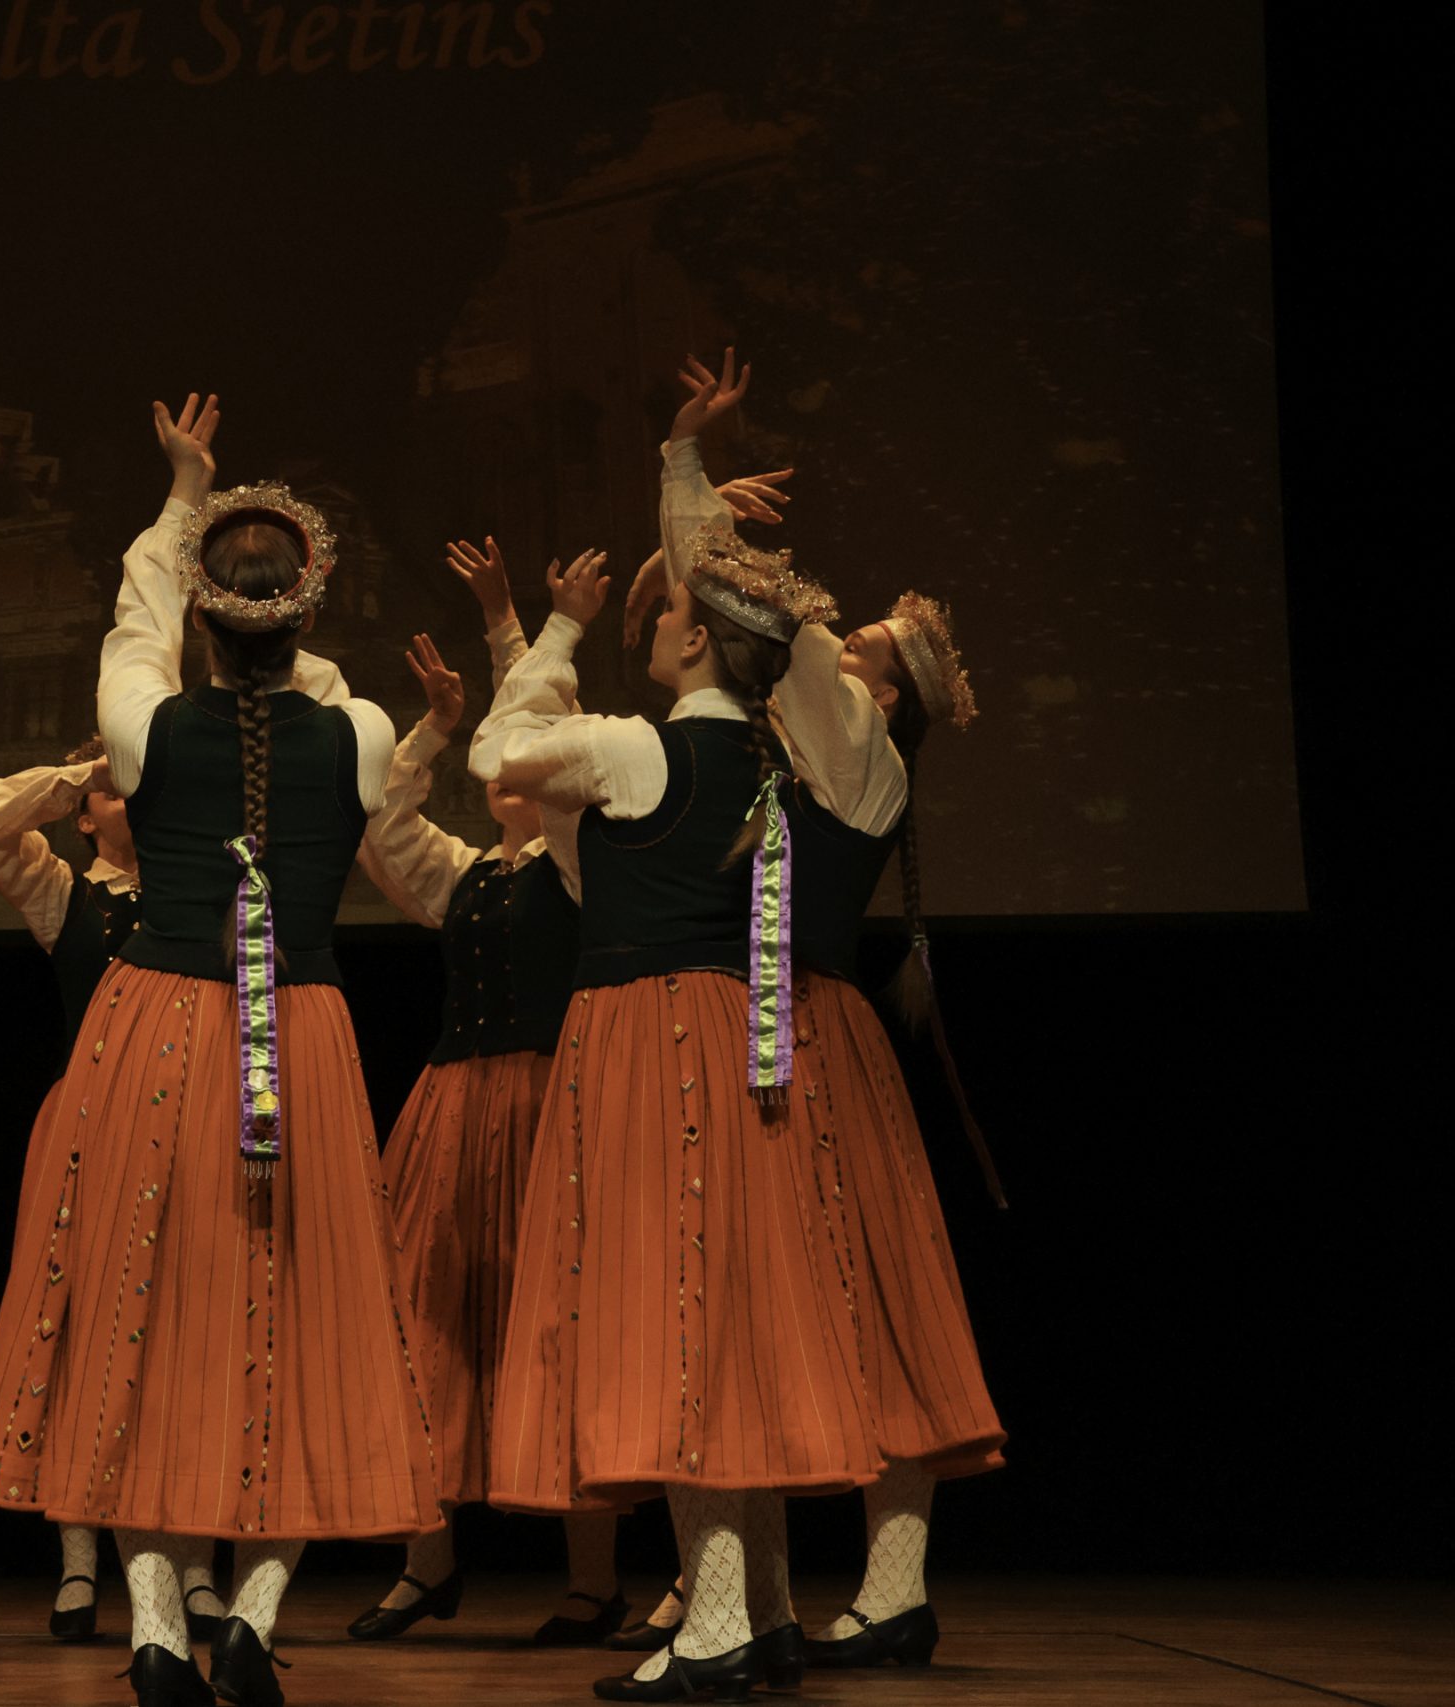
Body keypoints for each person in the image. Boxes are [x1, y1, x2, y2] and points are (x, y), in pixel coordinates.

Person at [0, 394, 439, 1707]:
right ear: (304, 613)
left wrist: (184, 492)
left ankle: (156, 1624)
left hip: (159, 1029)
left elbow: (134, 622)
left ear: (205, 619)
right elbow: (303, 695)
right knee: (307, 1311)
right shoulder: (358, 730)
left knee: (140, 1305)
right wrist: (262, 594)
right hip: (301, 1030)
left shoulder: (146, 725)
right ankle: (256, 1612)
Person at [476, 349, 888, 1702]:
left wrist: (550, 639)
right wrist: (684, 468)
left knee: (672, 1314)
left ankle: (718, 1621)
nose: (654, 621)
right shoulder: (777, 755)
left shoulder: (630, 747)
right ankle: (759, 1606)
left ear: (698, 641)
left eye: (666, 612)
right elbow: (747, 622)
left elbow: (496, 760)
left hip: (645, 1042)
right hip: (738, 1035)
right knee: (721, 1311)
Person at [622, 372, 1004, 1672]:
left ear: (882, 696)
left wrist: (692, 480)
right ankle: (780, 1602)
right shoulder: (805, 736)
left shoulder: (852, 747)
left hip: (803, 1035)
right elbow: (737, 619)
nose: (840, 652)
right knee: (800, 1304)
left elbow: (763, 618)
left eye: (864, 652)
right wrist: (693, 495)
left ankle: (877, 1591)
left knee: (846, 1302)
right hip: (784, 1027)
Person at [344, 540, 629, 1646]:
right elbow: (381, 822)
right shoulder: (464, 872)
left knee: (557, 1326)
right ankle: (427, 1562)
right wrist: (433, 727)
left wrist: (517, 624)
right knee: (425, 1324)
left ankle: (593, 1577)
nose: (507, 765)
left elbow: (536, 726)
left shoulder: (578, 862)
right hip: (451, 1115)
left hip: (547, 1107)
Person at [0, 735, 151, 1643]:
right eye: (112, 795)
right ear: (83, 817)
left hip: (177, 1125)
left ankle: (187, 1564)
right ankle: (79, 1563)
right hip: (85, 1128)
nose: (127, 801)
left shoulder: (200, 889)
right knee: (74, 1335)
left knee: (169, 1333)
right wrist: (86, 767)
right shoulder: (65, 892)